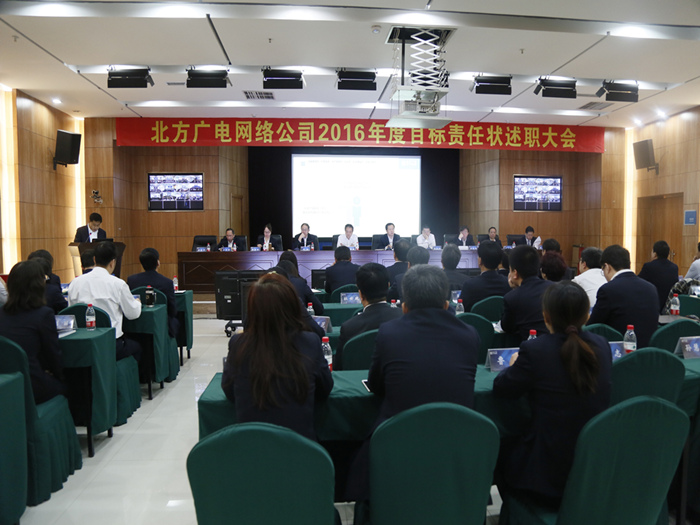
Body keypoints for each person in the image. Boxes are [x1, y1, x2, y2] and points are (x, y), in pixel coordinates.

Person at [494, 281, 612, 508]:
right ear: (587, 316)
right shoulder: (602, 345)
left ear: (545, 316)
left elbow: (502, 388)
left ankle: (518, 514)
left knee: (500, 447)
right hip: (592, 473)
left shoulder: (535, 350)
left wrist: (513, 365)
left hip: (546, 479)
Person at [221, 273, 333, 441]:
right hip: (301, 449)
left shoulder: (239, 343)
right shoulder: (310, 342)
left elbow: (229, 391)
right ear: (293, 306)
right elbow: (325, 388)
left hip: (250, 448)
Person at [368, 264, 480, 425]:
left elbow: (376, 386)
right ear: (446, 306)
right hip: (458, 433)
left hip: (400, 434)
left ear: (404, 308)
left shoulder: (388, 333)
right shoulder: (470, 335)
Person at [0, 260, 66, 404]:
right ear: (39, 286)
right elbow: (53, 356)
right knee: (71, 386)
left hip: (5, 384)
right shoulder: (43, 315)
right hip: (32, 385)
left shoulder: (2, 314)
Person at [67, 241, 143, 361]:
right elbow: (132, 314)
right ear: (113, 262)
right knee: (138, 347)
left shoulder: (75, 283)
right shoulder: (118, 284)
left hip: (82, 345)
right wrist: (138, 303)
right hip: (110, 345)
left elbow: (71, 312)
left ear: (94, 259)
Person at [587, 245, 659, 348]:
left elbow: (593, 327)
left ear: (607, 267)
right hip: (649, 352)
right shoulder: (651, 288)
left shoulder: (608, 290)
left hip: (620, 352)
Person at [334, 263, 403, 370]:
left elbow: (339, 368)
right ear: (388, 286)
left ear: (360, 293)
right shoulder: (404, 318)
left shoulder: (349, 328)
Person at [502, 245, 554, 339]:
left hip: (529, 345)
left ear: (515, 273)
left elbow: (507, 327)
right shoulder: (554, 288)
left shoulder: (511, 298)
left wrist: (515, 290)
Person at [127, 248, 179, 338]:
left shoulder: (131, 280)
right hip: (161, 324)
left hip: (137, 324)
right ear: (158, 263)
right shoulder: (167, 282)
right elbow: (172, 310)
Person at [459, 241, 510, 312]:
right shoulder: (508, 283)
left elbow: (462, 311)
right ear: (500, 262)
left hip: (476, 319)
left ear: (480, 261)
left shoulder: (470, 285)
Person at [638, 240, 680, 313]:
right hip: (668, 306)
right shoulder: (674, 267)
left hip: (652, 305)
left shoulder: (648, 266)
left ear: (655, 254)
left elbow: (638, 283)